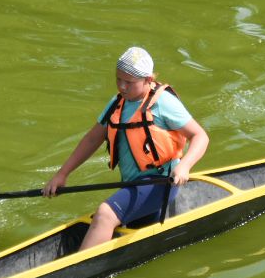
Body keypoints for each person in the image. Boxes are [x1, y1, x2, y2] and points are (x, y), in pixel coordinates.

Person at [43, 46, 210, 250]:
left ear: (148, 80)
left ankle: (76, 271)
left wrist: (185, 166)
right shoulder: (117, 103)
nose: (122, 87)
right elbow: (92, 139)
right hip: (132, 185)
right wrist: (62, 174)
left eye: (129, 82)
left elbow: (200, 136)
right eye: (118, 79)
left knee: (105, 214)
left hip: (161, 182)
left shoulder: (163, 103)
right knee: (139, 225)